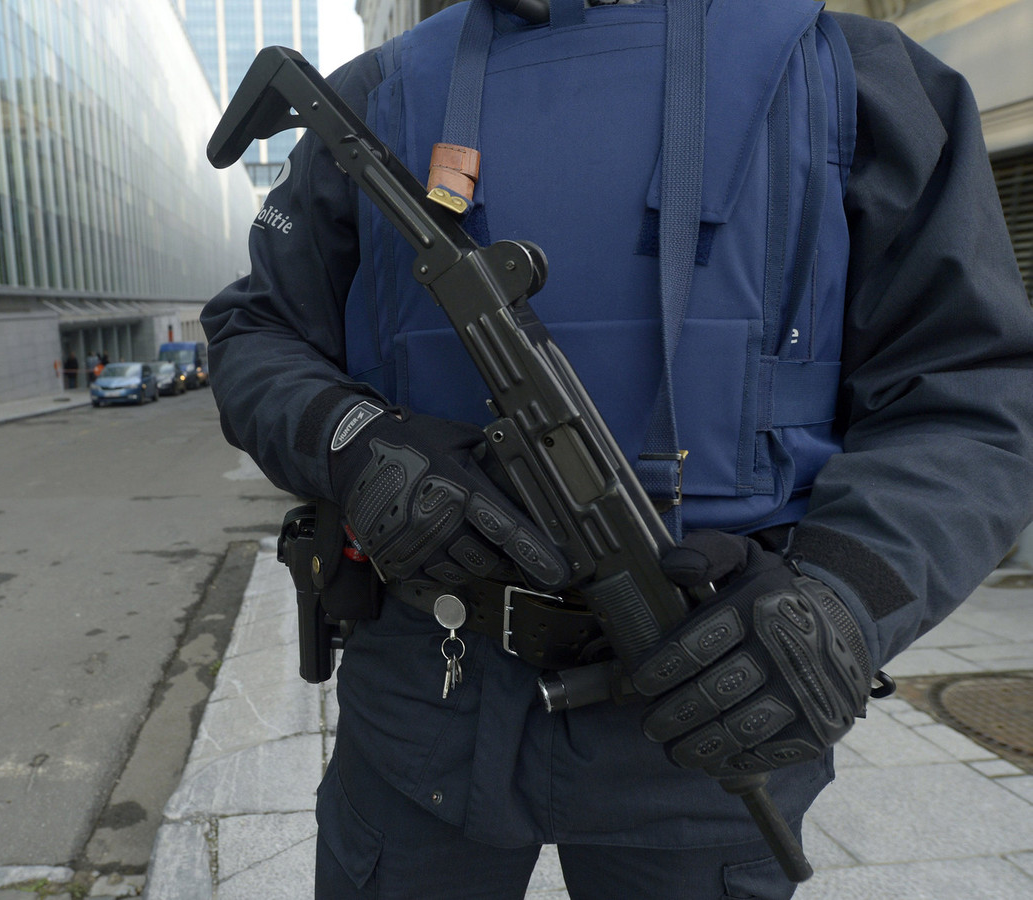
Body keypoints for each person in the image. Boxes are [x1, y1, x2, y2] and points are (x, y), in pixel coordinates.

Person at [201, 1, 1033, 897]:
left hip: (715, 688)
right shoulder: (377, 92)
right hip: (425, 682)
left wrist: (843, 602)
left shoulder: (850, 72)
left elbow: (972, 390)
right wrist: (352, 443)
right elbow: (258, 329)